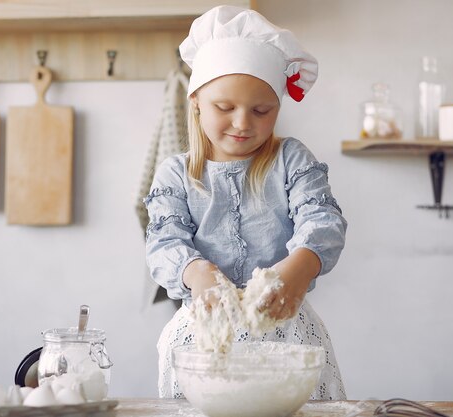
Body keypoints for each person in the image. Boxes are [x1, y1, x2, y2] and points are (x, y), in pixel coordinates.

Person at [144, 5, 347, 400]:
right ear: (197, 100)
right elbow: (164, 241)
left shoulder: (291, 160)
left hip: (287, 336)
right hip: (201, 337)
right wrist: (196, 273)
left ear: (278, 108)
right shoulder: (175, 174)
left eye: (261, 110)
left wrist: (301, 267)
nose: (242, 123)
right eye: (225, 107)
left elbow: (322, 220)